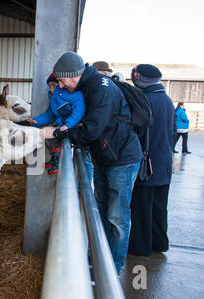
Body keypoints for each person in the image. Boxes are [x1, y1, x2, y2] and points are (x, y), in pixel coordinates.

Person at [51, 51, 143, 273]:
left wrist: (65, 135)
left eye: (62, 81)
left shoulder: (101, 88)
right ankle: (101, 259)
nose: (61, 86)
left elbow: (92, 129)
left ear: (72, 75)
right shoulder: (89, 86)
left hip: (121, 159)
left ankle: (113, 269)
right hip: (106, 156)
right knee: (101, 210)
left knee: (117, 217)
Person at [129, 64, 175, 256]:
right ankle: (159, 243)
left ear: (139, 77)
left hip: (146, 163)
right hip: (164, 161)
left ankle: (140, 246)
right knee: (159, 206)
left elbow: (137, 132)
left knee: (141, 206)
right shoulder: (167, 100)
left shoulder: (143, 100)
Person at [27, 73, 85, 175]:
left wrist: (68, 124)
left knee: (53, 135)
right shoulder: (55, 99)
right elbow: (50, 114)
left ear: (62, 84)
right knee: (46, 135)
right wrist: (37, 121)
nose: (52, 89)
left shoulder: (74, 94)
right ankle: (54, 159)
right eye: (50, 86)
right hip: (62, 124)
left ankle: (58, 161)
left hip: (72, 125)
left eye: (54, 86)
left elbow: (79, 111)